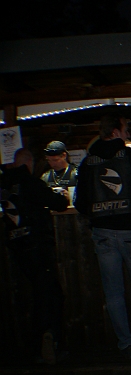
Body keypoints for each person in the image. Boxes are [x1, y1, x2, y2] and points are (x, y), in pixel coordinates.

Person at [74, 112, 131, 358]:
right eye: (125, 129)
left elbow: (80, 203)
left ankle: (126, 344)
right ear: (115, 131)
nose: (128, 134)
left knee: (114, 292)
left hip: (103, 234)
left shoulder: (87, 162)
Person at [1, 148, 69, 363]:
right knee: (50, 294)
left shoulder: (4, 185)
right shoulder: (30, 182)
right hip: (37, 245)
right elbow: (59, 204)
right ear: (29, 163)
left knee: (39, 293)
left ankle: (39, 345)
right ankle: (48, 341)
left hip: (17, 246)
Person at [41, 141, 78, 206]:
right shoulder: (45, 177)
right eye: (49, 160)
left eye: (55, 160)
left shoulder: (76, 173)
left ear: (64, 155)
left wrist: (71, 196)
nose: (52, 164)